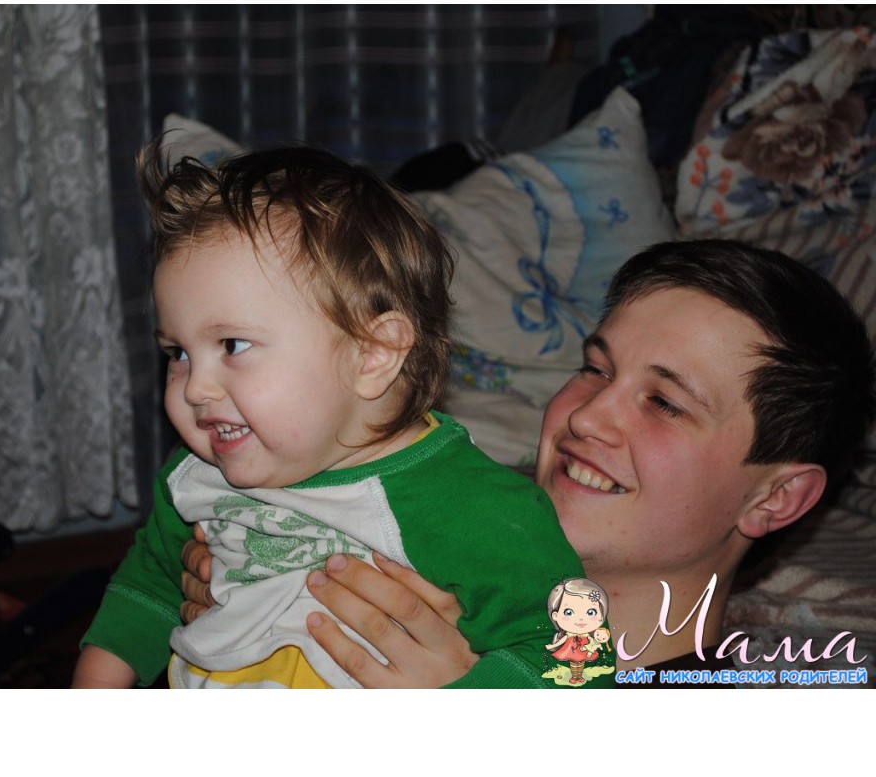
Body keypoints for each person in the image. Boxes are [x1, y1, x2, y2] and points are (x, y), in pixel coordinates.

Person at [182, 238, 876, 687]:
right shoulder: (393, 540)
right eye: (595, 369)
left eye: (665, 403)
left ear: (774, 498)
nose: (586, 416)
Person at [73, 145, 607, 689]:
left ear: (372, 355)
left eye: (232, 344)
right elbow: (147, 588)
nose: (196, 388)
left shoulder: (478, 509)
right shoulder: (195, 475)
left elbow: (579, 663)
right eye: (178, 353)